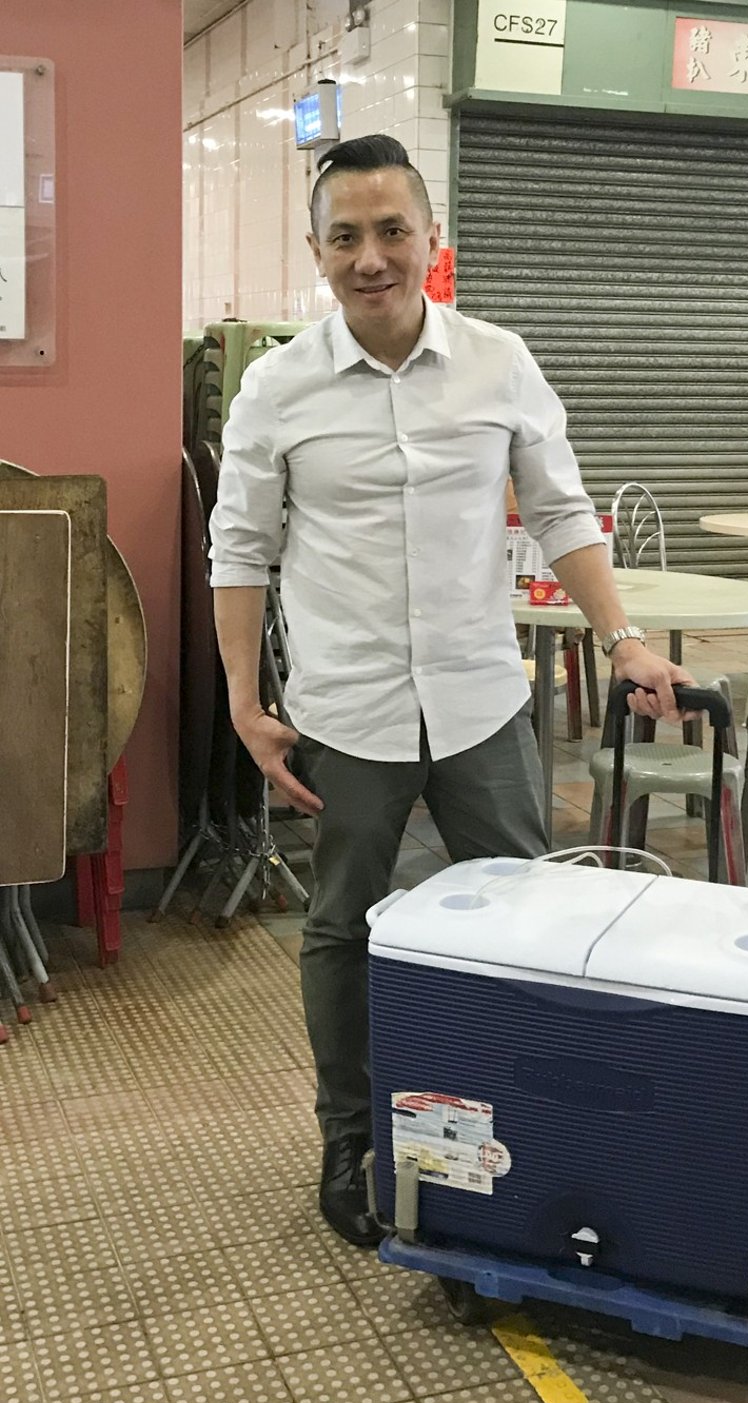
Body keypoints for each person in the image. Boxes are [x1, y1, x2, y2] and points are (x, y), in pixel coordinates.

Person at [209, 134, 695, 1247]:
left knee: (523, 917)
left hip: (480, 700)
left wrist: (621, 638)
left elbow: (562, 511)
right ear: (316, 250)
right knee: (341, 927)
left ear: (432, 241)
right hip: (347, 710)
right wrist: (246, 699)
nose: (370, 256)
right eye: (347, 236)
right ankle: (349, 1133)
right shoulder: (277, 387)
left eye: (392, 231)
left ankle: (521, 1118)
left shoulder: (498, 362)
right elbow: (238, 549)